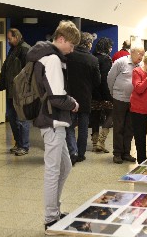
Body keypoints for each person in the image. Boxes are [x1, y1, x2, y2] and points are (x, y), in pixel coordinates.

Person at [25, 20, 81, 231]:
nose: (72, 50)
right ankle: (50, 218)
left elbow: (52, 92)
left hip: (53, 120)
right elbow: (57, 98)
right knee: (53, 170)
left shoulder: (45, 56)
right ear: (60, 39)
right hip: (53, 121)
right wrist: (73, 103)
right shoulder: (53, 60)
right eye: (71, 45)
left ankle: (55, 211)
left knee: (64, 166)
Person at [66, 32, 101, 165]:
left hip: (69, 96)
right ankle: (81, 154)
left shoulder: (69, 56)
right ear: (88, 44)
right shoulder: (93, 60)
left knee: (69, 125)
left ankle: (72, 151)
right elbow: (97, 81)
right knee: (83, 127)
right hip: (86, 97)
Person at [0, 28, 31, 156]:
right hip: (11, 91)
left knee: (22, 119)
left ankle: (24, 146)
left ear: (16, 37)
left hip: (20, 91)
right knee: (12, 118)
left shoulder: (26, 50)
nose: (8, 41)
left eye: (10, 38)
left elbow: (29, 72)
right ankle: (19, 143)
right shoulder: (13, 49)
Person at [107, 45, 145, 164]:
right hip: (119, 99)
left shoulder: (140, 66)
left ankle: (126, 153)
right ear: (132, 52)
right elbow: (110, 78)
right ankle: (117, 153)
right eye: (140, 54)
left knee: (130, 127)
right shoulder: (121, 62)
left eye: (143, 55)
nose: (141, 57)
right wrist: (114, 93)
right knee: (119, 126)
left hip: (134, 100)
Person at [90, 37, 114, 153]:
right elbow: (105, 79)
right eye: (110, 46)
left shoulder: (92, 57)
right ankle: (101, 141)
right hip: (104, 92)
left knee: (95, 116)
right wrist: (108, 95)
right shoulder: (106, 60)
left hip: (93, 92)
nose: (111, 48)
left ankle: (94, 143)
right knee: (111, 113)